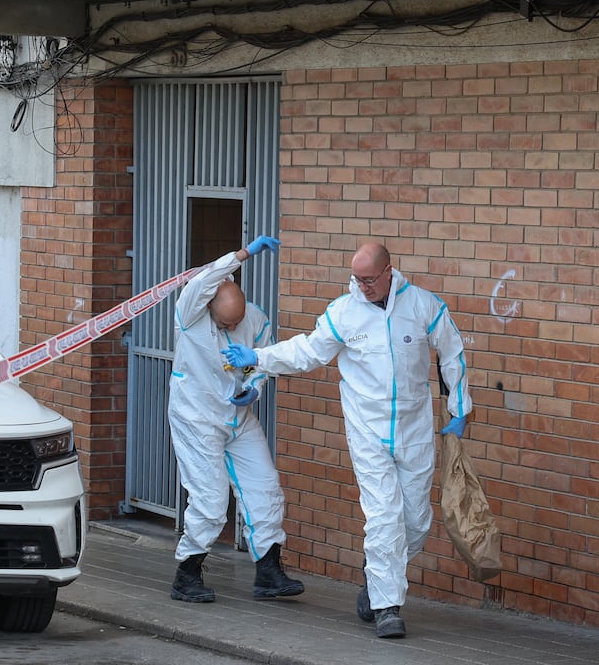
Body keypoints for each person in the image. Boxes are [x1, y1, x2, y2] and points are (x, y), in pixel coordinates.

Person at [223, 241, 472, 638]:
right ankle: (387, 607)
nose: (363, 286)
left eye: (370, 279)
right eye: (358, 279)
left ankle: (376, 576)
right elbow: (307, 351)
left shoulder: (423, 306)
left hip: (415, 430)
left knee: (417, 522)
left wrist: (459, 409)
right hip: (368, 430)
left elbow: (452, 352)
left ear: (390, 271)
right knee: (384, 517)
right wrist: (258, 357)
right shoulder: (344, 312)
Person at [167, 235, 305, 604]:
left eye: (237, 322)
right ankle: (188, 573)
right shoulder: (190, 311)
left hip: (238, 416)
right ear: (210, 306)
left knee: (265, 488)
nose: (233, 328)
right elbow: (203, 279)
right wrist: (242, 254)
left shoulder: (254, 319)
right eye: (226, 323)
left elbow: (262, 361)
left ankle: (269, 572)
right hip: (196, 417)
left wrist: (255, 387)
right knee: (211, 500)